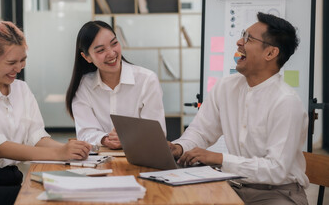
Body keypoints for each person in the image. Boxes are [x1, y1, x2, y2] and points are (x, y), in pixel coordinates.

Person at [169, 12, 309, 204]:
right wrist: (179, 147)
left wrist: (219, 159)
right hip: (231, 184)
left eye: (247, 39)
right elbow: (201, 131)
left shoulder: (286, 102)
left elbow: (276, 170)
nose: (239, 42)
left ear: (270, 53)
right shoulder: (226, 86)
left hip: (277, 193)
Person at [0, 21, 91, 205]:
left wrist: (71, 150)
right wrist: (59, 154)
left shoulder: (21, 89)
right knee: (47, 201)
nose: (19, 68)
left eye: (23, 60)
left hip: (11, 181)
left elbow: (36, 137)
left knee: (63, 195)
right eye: (11, 62)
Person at [65, 20, 166, 149]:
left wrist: (129, 137)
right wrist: (106, 139)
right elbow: (85, 132)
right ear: (87, 57)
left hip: (142, 156)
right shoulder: (84, 86)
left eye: (114, 43)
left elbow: (158, 132)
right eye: (101, 50)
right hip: (101, 161)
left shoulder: (147, 80)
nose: (112, 53)